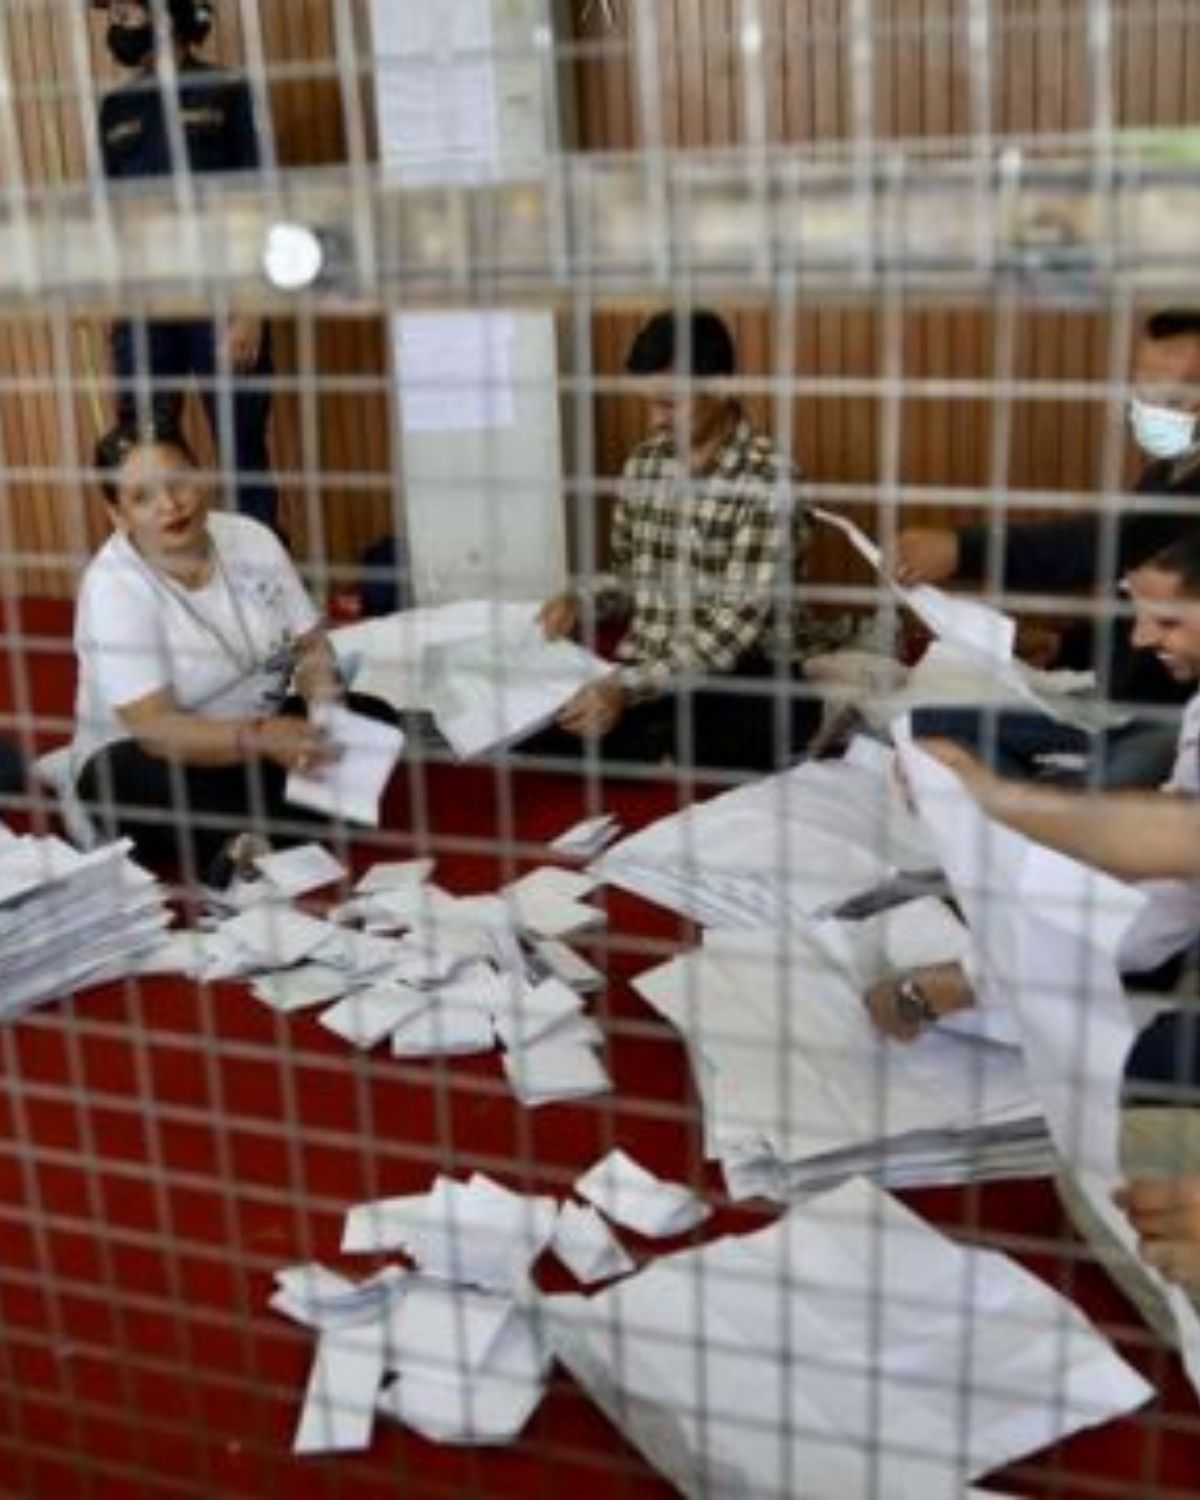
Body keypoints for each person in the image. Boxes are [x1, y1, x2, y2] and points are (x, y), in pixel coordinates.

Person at [69, 420, 397, 884]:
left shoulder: (251, 538)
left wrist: (325, 709)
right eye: (143, 497)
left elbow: (311, 646)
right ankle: (298, 822)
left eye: (178, 482)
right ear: (117, 514)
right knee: (115, 779)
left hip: (259, 739)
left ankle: (251, 841)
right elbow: (156, 730)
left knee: (375, 718)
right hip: (166, 756)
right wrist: (263, 739)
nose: (170, 505)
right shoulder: (112, 587)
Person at [894, 307, 1200, 787]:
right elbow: (1130, 600)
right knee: (925, 722)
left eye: (1173, 396)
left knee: (1114, 784)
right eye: (1144, 390)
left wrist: (962, 548)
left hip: (1159, 718)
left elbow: (1099, 546)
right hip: (1110, 704)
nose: (1151, 407)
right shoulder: (1166, 472)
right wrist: (1066, 647)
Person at [535, 309, 852, 772]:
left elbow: (728, 634)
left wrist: (625, 687)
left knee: (767, 711)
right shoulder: (643, 465)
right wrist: (579, 601)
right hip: (652, 669)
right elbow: (628, 579)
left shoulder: (770, 480)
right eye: (648, 404)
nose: (654, 422)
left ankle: (655, 743)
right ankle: (657, 746)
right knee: (544, 725)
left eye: (669, 405)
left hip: (738, 671)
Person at [94, 0, 278, 531]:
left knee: (242, 452)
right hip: (145, 307)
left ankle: (260, 576)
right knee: (145, 450)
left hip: (222, 298)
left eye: (125, 16)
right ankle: (170, 572)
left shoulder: (227, 90)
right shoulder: (116, 108)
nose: (116, 29)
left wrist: (252, 309)